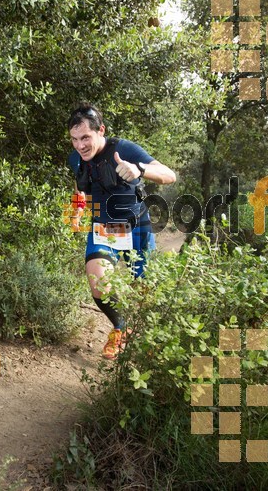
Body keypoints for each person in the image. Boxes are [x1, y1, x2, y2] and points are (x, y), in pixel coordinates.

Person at [66, 103, 176, 359]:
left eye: (85, 138)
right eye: (74, 139)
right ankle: (120, 329)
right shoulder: (75, 158)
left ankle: (147, 347)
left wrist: (141, 170)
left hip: (137, 228)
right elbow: (81, 189)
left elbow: (169, 174)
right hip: (105, 228)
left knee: (142, 294)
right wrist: (77, 211)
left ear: (100, 130)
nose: (80, 145)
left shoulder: (122, 149)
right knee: (97, 282)